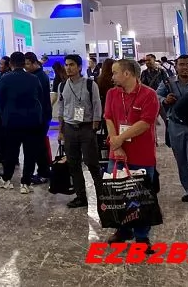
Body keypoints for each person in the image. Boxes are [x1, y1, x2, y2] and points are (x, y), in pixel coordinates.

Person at [104, 58, 161, 245]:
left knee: (141, 196)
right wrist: (117, 144)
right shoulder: (112, 93)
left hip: (142, 155)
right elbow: (109, 118)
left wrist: (120, 138)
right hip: (117, 154)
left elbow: (145, 122)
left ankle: (142, 236)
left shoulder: (149, 94)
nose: (112, 76)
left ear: (127, 73)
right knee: (119, 195)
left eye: (115, 72)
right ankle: (123, 230)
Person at [0, 51, 45, 194]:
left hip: (12, 121)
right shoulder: (34, 78)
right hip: (32, 121)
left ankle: (6, 179)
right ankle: (25, 183)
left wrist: (5, 113)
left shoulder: (5, 78)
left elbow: (0, 100)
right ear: (24, 63)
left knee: (10, 152)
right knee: (30, 153)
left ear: (10, 63)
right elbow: (40, 97)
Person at [157, 55, 188, 212]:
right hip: (175, 126)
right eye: (181, 64)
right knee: (182, 160)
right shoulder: (168, 83)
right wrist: (165, 100)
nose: (185, 67)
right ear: (176, 67)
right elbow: (155, 96)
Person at [57, 54, 103, 209]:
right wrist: (61, 130)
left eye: (71, 65)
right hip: (70, 129)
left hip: (86, 128)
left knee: (92, 163)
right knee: (73, 164)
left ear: (79, 67)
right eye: (66, 65)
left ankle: (102, 195)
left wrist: (95, 125)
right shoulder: (62, 86)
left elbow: (96, 105)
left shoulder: (90, 84)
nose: (68, 68)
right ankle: (81, 196)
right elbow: (61, 109)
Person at [24, 52, 52, 183]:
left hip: (40, 117)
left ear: (35, 63)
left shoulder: (39, 77)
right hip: (40, 116)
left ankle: (43, 172)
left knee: (39, 146)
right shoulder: (37, 75)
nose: (25, 67)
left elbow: (38, 99)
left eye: (28, 64)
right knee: (38, 145)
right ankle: (43, 171)